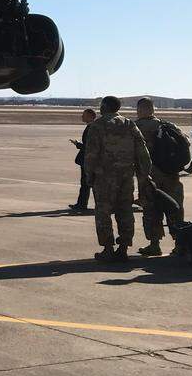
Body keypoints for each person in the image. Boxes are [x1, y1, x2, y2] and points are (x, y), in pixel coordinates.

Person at [85, 95, 151, 263]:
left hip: (104, 177)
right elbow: (143, 153)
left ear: (105, 107)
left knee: (103, 212)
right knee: (125, 211)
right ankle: (123, 248)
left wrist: (89, 175)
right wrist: (143, 174)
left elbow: (91, 154)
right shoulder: (130, 124)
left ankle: (108, 248)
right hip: (126, 176)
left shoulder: (97, 126)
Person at [134, 97, 185, 257]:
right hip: (172, 175)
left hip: (151, 177)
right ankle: (180, 244)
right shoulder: (169, 126)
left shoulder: (137, 127)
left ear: (140, 109)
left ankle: (154, 244)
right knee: (174, 209)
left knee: (151, 209)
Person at [68, 108, 97, 212]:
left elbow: (89, 146)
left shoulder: (91, 128)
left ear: (90, 116)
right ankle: (81, 204)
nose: (82, 117)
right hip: (88, 160)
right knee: (85, 183)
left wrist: (78, 144)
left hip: (88, 160)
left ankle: (82, 205)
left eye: (84, 115)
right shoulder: (92, 127)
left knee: (86, 183)